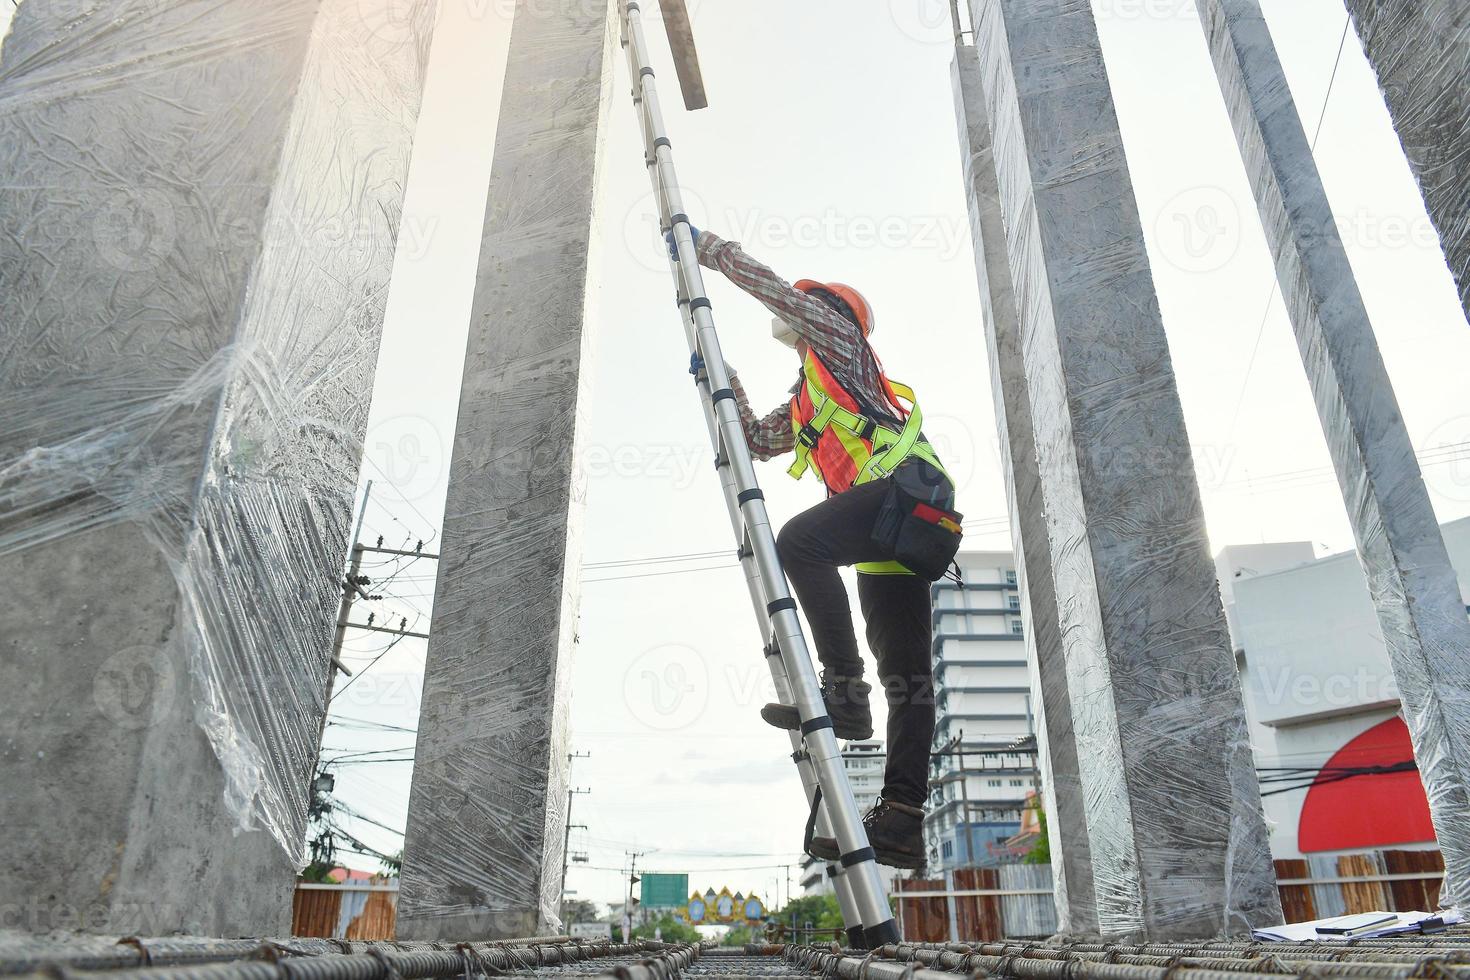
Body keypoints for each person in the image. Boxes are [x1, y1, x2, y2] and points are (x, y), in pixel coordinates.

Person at [667, 225, 961, 869]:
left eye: (805, 308)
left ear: (832, 316)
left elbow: (776, 292)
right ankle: (903, 818)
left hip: (905, 501)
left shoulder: (842, 343)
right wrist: (725, 378)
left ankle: (844, 691)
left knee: (800, 542)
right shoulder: (806, 396)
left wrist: (713, 252)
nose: (790, 317)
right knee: (909, 679)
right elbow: (755, 440)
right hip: (885, 526)